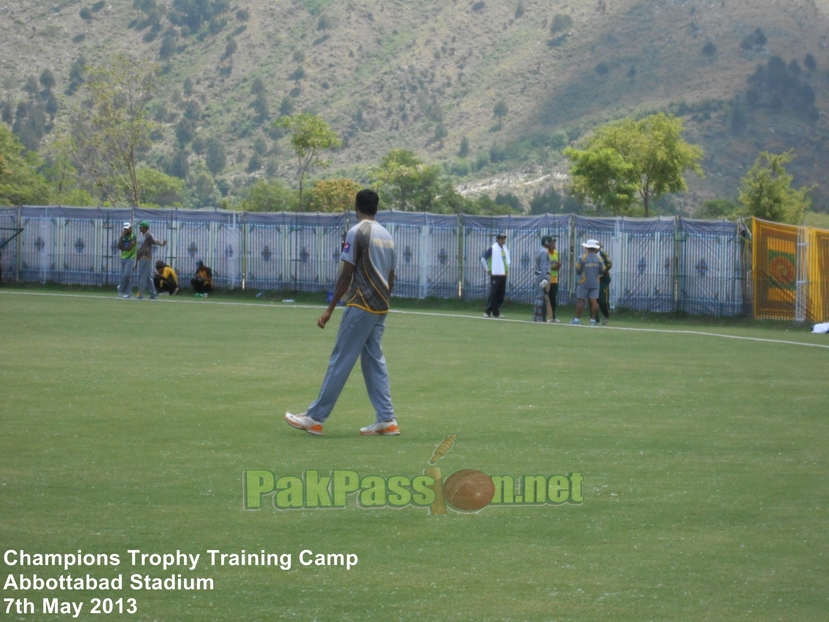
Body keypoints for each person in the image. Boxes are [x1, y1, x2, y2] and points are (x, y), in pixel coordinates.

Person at [285, 189, 398, 436]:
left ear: (356, 207)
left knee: (341, 358)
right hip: (381, 306)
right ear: (376, 208)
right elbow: (391, 276)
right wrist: (383, 302)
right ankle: (387, 420)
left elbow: (346, 274)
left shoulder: (356, 232)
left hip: (360, 305)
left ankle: (314, 418)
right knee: (373, 361)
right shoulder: (388, 236)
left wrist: (329, 309)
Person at [571, 239, 605, 326]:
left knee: (581, 300)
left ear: (587, 247)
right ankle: (593, 320)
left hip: (584, 282)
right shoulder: (599, 258)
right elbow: (603, 270)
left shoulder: (582, 257)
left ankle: (577, 319)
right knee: (594, 301)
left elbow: (578, 270)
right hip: (595, 282)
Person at [135, 220, 167, 300]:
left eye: (141, 226)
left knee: (142, 276)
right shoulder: (141, 236)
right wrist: (136, 261)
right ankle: (153, 294)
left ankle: (140, 294)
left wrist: (162, 244)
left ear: (145, 228)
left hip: (145, 257)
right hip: (141, 258)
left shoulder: (148, 235)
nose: (139, 228)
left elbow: (155, 240)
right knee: (148, 277)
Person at [481, 233, 510, 318]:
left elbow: (506, 261)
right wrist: (488, 270)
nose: (503, 240)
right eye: (501, 238)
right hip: (495, 274)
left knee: (501, 294)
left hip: (503, 274)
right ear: (497, 239)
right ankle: (487, 311)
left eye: (504, 238)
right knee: (494, 293)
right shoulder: (493, 248)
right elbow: (483, 259)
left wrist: (507, 270)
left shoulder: (505, 249)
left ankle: (496, 311)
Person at [533, 235, 554, 322]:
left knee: (538, 297)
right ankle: (540, 317)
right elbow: (543, 266)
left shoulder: (537, 251)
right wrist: (545, 278)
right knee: (541, 297)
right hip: (543, 275)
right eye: (550, 241)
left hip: (538, 275)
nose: (551, 243)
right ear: (546, 242)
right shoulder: (545, 252)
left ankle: (536, 315)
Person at [117, 222, 137, 298]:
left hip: (130, 258)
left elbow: (130, 248)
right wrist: (121, 237)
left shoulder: (133, 236)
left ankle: (121, 289)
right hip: (123, 258)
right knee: (125, 276)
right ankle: (128, 293)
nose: (125, 230)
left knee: (125, 275)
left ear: (130, 228)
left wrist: (123, 248)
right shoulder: (123, 236)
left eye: (127, 228)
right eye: (124, 229)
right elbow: (119, 246)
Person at [547, 237, 562, 323]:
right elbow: (545, 266)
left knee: (553, 299)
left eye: (554, 243)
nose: (554, 245)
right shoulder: (545, 253)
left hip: (554, 280)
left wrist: (558, 266)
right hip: (547, 279)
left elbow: (557, 264)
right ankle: (546, 316)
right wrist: (555, 267)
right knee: (546, 299)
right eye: (552, 243)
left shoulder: (556, 253)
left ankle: (553, 316)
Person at [598, 243, 612, 325]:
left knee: (603, 299)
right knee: (592, 299)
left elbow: (609, 264)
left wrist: (604, 269)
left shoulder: (603, 255)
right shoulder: (587, 255)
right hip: (592, 279)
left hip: (603, 280)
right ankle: (594, 318)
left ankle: (606, 315)